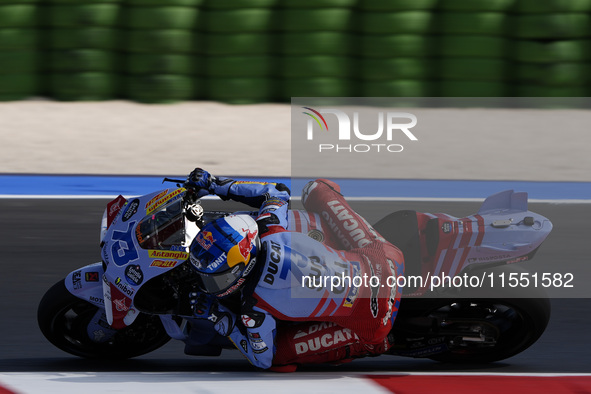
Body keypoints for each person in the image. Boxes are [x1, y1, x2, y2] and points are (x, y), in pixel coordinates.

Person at [185, 168, 404, 371]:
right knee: (315, 188)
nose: (211, 285)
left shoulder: (254, 307)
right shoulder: (269, 227)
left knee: (279, 358)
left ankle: (369, 344)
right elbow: (277, 191)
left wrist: (222, 319)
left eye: (218, 279)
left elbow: (262, 359)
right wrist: (215, 185)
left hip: (374, 321)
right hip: (384, 260)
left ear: (244, 265)